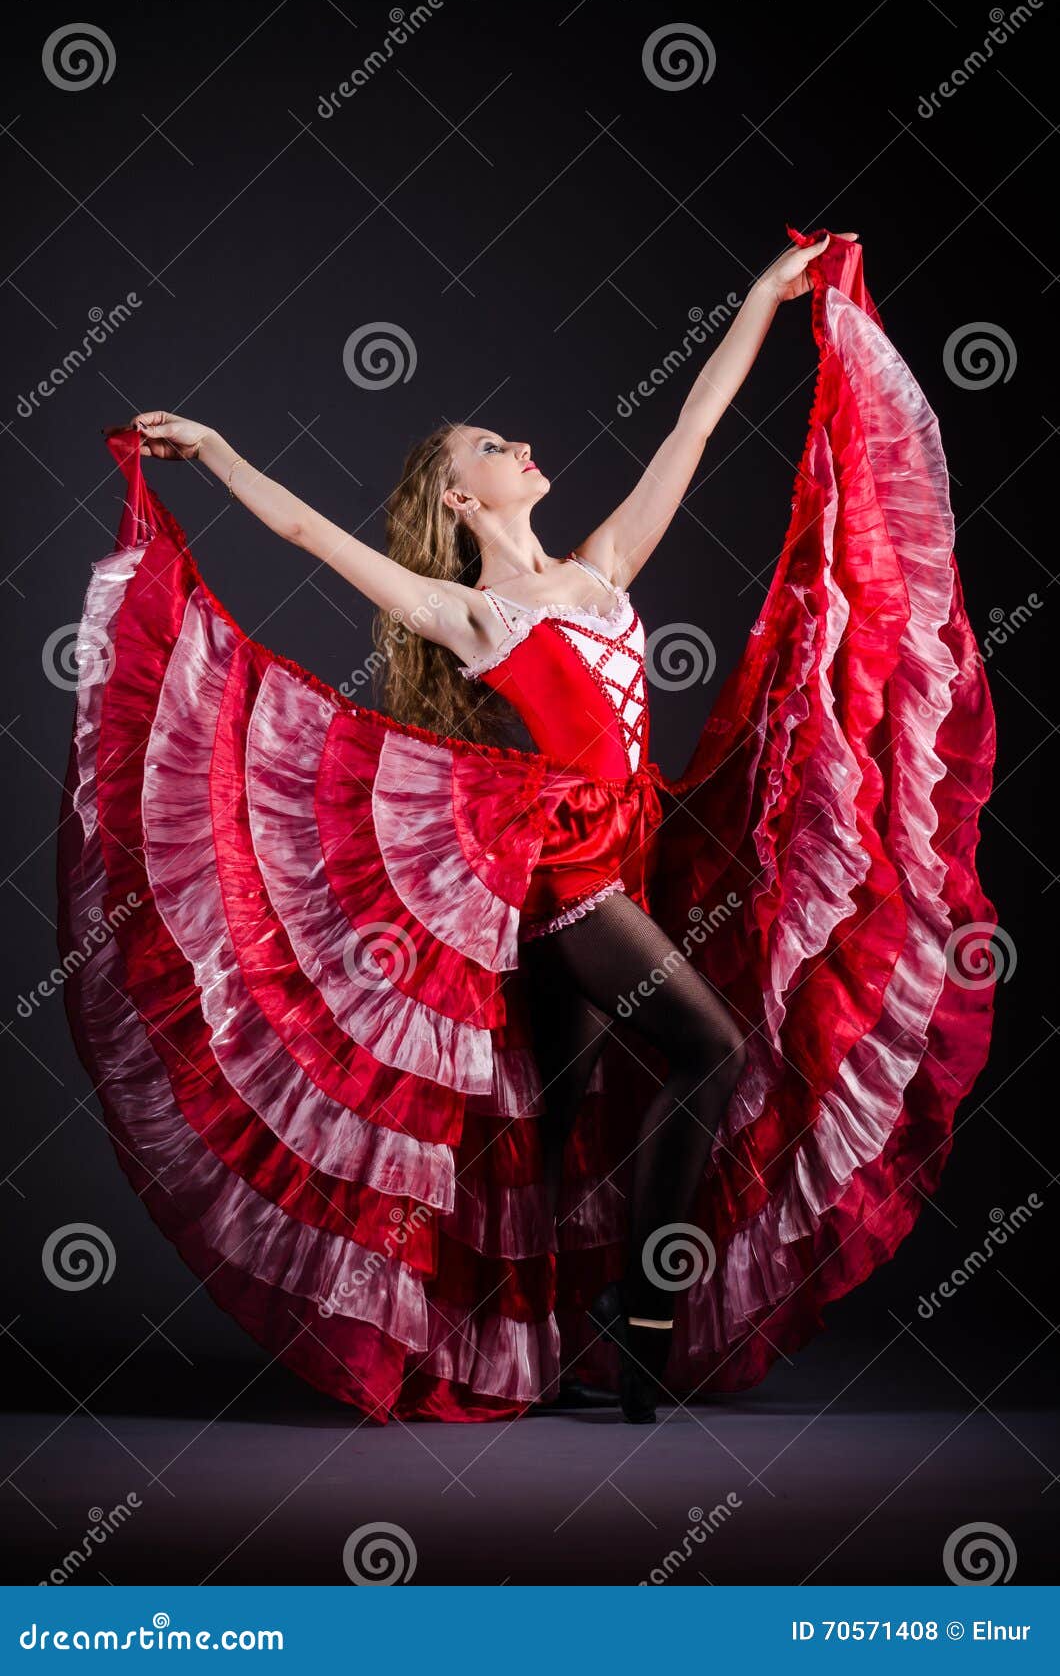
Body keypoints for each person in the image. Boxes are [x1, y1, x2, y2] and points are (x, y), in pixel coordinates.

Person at [58, 231, 996, 1426]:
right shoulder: (474, 613)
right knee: (705, 1052)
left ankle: (507, 1338)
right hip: (563, 882)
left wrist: (765, 297)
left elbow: (692, 433)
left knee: (547, 1127)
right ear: (461, 496)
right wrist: (223, 452)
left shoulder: (601, 567)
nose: (520, 449)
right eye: (490, 449)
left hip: (637, 858)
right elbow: (309, 539)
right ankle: (645, 1321)